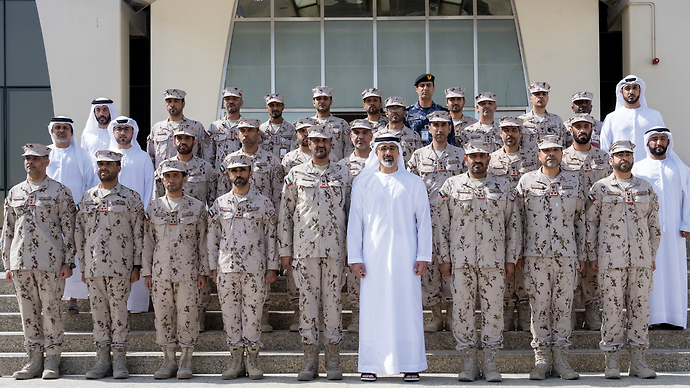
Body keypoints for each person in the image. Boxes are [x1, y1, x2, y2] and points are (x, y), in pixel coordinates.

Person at [348, 133, 431, 382]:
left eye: (392, 149)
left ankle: (410, 363)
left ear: (399, 153)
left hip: (407, 260)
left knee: (408, 309)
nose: (387, 153)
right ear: (376, 153)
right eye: (383, 148)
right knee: (374, 309)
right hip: (372, 260)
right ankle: (371, 364)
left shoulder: (414, 183)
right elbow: (355, 223)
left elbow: (424, 222)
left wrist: (423, 254)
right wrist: (355, 257)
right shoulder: (363, 183)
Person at [436, 141, 518, 382]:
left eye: (482, 155)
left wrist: (511, 258)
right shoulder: (451, 186)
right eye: (473, 156)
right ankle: (469, 362)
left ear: (489, 159)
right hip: (461, 261)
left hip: (493, 261)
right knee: (463, 312)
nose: (477, 159)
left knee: (493, 312)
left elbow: (513, 225)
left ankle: (491, 363)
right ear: (465, 159)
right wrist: (444, 258)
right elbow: (442, 225)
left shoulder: (503, 186)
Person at [279, 123, 352, 381]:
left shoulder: (344, 174)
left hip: (335, 251)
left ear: (332, 144)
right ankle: (309, 360)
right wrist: (284, 250)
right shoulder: (295, 174)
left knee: (333, 305)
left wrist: (351, 252)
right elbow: (285, 214)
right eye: (315, 141)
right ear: (308, 144)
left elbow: (352, 215)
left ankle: (333, 360)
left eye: (325, 141)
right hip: (304, 250)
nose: (320, 145)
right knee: (308, 305)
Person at [586, 140, 661, 379]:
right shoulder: (600, 188)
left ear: (632, 158)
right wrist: (591, 255)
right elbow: (590, 224)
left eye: (628, 154)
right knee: (612, 310)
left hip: (640, 261)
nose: (624, 158)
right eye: (619, 155)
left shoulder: (645, 188)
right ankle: (612, 361)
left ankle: (638, 361)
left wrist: (652, 255)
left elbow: (654, 226)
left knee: (640, 310)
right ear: (611, 160)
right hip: (610, 261)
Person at [2, 144, 75, 380]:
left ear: (46, 161)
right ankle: (34, 359)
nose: (30, 162)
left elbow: (70, 230)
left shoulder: (60, 192)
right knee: (28, 313)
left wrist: (69, 262)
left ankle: (52, 359)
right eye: (27, 159)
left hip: (50, 264)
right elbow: (8, 231)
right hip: (21, 263)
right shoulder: (15, 193)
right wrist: (7, 263)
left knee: (51, 311)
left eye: (35, 158)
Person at [515, 135, 584, 381]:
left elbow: (581, 222)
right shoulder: (526, 181)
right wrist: (518, 253)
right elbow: (517, 221)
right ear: (539, 155)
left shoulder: (573, 182)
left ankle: (562, 359)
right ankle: (542, 360)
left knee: (564, 307)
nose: (551, 154)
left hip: (566, 256)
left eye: (555, 149)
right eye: (546, 151)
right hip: (535, 256)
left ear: (562, 154)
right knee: (540, 307)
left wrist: (583, 254)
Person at [208, 154, 279, 380]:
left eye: (242, 170)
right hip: (227, 269)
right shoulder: (219, 204)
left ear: (250, 172)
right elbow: (212, 238)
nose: (238, 174)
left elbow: (271, 236)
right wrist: (212, 268)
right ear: (229, 174)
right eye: (234, 171)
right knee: (230, 316)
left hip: (254, 269)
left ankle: (253, 360)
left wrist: (272, 267)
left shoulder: (263, 203)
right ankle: (236, 361)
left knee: (253, 315)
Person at [76, 150, 145, 380]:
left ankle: (119, 360)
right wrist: (84, 267)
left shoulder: (131, 197)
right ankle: (102, 359)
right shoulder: (87, 198)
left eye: (109, 164)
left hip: (121, 267)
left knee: (119, 313)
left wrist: (137, 265)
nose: (104, 167)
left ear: (118, 167)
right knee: (98, 314)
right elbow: (80, 234)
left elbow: (139, 233)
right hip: (95, 267)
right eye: (101, 164)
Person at [143, 159, 209, 380]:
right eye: (167, 176)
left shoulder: (197, 207)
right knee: (162, 316)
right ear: (162, 180)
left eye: (175, 176)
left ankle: (186, 360)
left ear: (184, 178)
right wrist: (147, 272)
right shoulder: (154, 207)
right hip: (160, 272)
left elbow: (203, 242)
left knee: (188, 315)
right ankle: (168, 359)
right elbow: (148, 242)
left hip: (188, 272)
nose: (171, 180)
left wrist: (203, 272)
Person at [408, 110, 465, 333]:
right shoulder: (418, 156)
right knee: (429, 268)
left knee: (452, 267)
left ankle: (452, 315)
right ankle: (435, 315)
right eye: (435, 126)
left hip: (455, 220)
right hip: (426, 221)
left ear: (450, 129)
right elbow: (410, 186)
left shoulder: (461, 156)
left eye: (443, 125)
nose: (439, 129)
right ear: (429, 129)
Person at [226, 117, 284, 333]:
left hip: (262, 221)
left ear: (258, 134)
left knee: (261, 267)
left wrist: (277, 224)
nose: (246, 134)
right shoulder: (229, 160)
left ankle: (262, 315)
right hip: (235, 222)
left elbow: (279, 194)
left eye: (250, 130)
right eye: (242, 131)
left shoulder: (271, 160)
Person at [633, 127, 690, 330]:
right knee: (650, 274)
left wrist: (686, 223)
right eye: (654, 139)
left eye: (662, 139)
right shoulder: (638, 168)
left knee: (674, 274)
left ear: (668, 142)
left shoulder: (680, 168)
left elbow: (688, 197)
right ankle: (652, 318)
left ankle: (674, 318)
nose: (658, 143)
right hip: (647, 232)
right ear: (647, 142)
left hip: (675, 233)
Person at [561, 113, 611, 331]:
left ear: (592, 130)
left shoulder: (603, 158)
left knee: (593, 267)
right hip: (568, 222)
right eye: (578, 126)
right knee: (569, 267)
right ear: (570, 130)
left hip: (596, 222)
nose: (582, 130)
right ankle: (568, 310)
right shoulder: (560, 157)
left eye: (586, 126)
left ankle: (592, 310)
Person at [488, 117, 538, 332]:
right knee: (505, 263)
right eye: (506, 130)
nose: (510, 134)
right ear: (500, 133)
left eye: (514, 130)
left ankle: (525, 310)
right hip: (502, 219)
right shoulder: (491, 159)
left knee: (524, 263)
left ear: (520, 133)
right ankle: (507, 309)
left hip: (529, 217)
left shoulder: (532, 158)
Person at [46, 116, 97, 314]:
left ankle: (73, 298)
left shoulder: (82, 155)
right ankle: (51, 297)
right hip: (48, 215)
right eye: (57, 128)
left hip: (75, 212)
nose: (61, 131)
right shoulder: (45, 154)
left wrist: (83, 207)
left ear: (71, 132)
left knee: (73, 253)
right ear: (52, 131)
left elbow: (90, 183)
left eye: (65, 128)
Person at [107, 116, 154, 313]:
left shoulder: (142, 157)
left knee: (136, 260)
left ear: (133, 132)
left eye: (126, 129)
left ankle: (136, 305)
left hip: (136, 220)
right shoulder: (105, 158)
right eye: (119, 129)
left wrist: (144, 215)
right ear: (113, 132)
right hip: (109, 219)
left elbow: (149, 188)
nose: (123, 133)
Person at [338, 118, 374, 333]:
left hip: (375, 229)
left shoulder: (379, 163)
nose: (360, 136)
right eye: (356, 133)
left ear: (371, 137)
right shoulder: (341, 166)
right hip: (351, 228)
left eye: (364, 132)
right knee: (354, 276)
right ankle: (357, 316)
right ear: (350, 137)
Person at [600, 75, 665, 162]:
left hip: (648, 171)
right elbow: (605, 146)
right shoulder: (611, 118)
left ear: (640, 90)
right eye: (627, 88)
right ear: (621, 92)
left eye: (634, 88)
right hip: (621, 170)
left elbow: (662, 142)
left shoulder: (654, 115)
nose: (631, 91)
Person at [147, 88, 211, 168]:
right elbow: (150, 157)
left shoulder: (196, 127)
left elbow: (205, 155)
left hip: (190, 177)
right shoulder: (157, 128)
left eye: (176, 101)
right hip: (164, 177)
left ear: (183, 104)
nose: (172, 104)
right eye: (169, 101)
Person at [405, 73, 453, 146]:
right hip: (415, 154)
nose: (425, 88)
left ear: (433, 88)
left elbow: (451, 138)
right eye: (422, 85)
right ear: (416, 89)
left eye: (428, 85)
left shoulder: (443, 112)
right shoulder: (408, 112)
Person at [519, 82, 568, 152]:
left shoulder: (557, 120)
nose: (541, 96)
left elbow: (563, 146)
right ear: (530, 99)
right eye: (537, 94)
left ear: (547, 98)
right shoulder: (522, 121)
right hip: (530, 162)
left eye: (544, 94)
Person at [373, 96, 422, 162]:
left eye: (399, 108)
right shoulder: (377, 136)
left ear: (405, 113)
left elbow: (419, 160)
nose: (395, 111)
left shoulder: (414, 136)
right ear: (386, 113)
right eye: (391, 108)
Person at [309, 86, 351, 160]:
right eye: (318, 99)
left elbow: (349, 148)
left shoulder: (341, 124)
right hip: (311, 169)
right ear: (313, 102)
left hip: (337, 168)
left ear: (331, 102)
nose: (322, 101)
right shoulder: (308, 124)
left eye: (325, 98)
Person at [208, 87, 243, 173]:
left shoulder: (247, 127)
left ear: (241, 103)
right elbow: (208, 154)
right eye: (227, 99)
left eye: (235, 99)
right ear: (224, 102)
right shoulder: (214, 127)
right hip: (220, 177)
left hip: (241, 175)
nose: (231, 102)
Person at [259, 93, 297, 159]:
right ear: (267, 107)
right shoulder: (261, 129)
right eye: (272, 105)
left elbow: (294, 154)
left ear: (283, 107)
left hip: (285, 168)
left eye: (278, 105)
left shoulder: (291, 129)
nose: (275, 108)